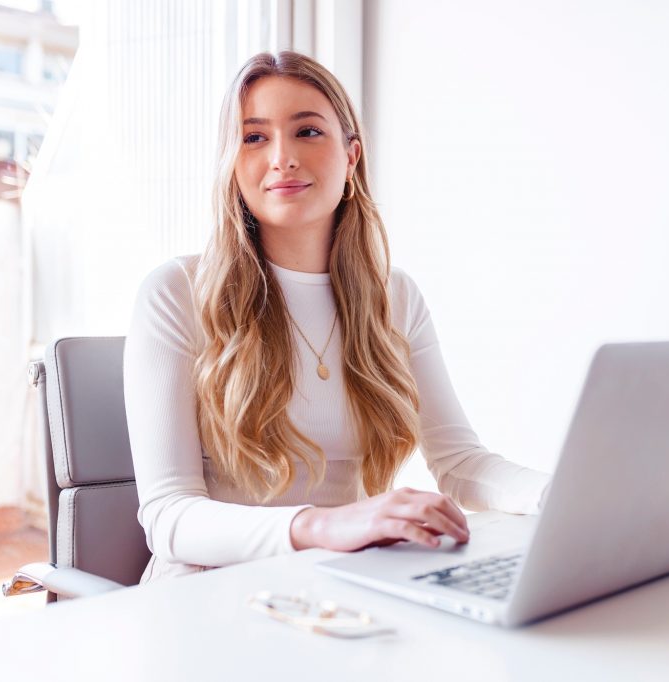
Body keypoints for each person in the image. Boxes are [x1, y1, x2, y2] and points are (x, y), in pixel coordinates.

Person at [124, 51, 550, 583]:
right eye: (253, 137)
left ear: (351, 157)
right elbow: (168, 516)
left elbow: (460, 463)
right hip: (206, 591)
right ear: (231, 163)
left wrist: (557, 495)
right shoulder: (177, 291)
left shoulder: (395, 296)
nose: (282, 158)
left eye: (307, 131)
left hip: (338, 586)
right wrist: (325, 525)